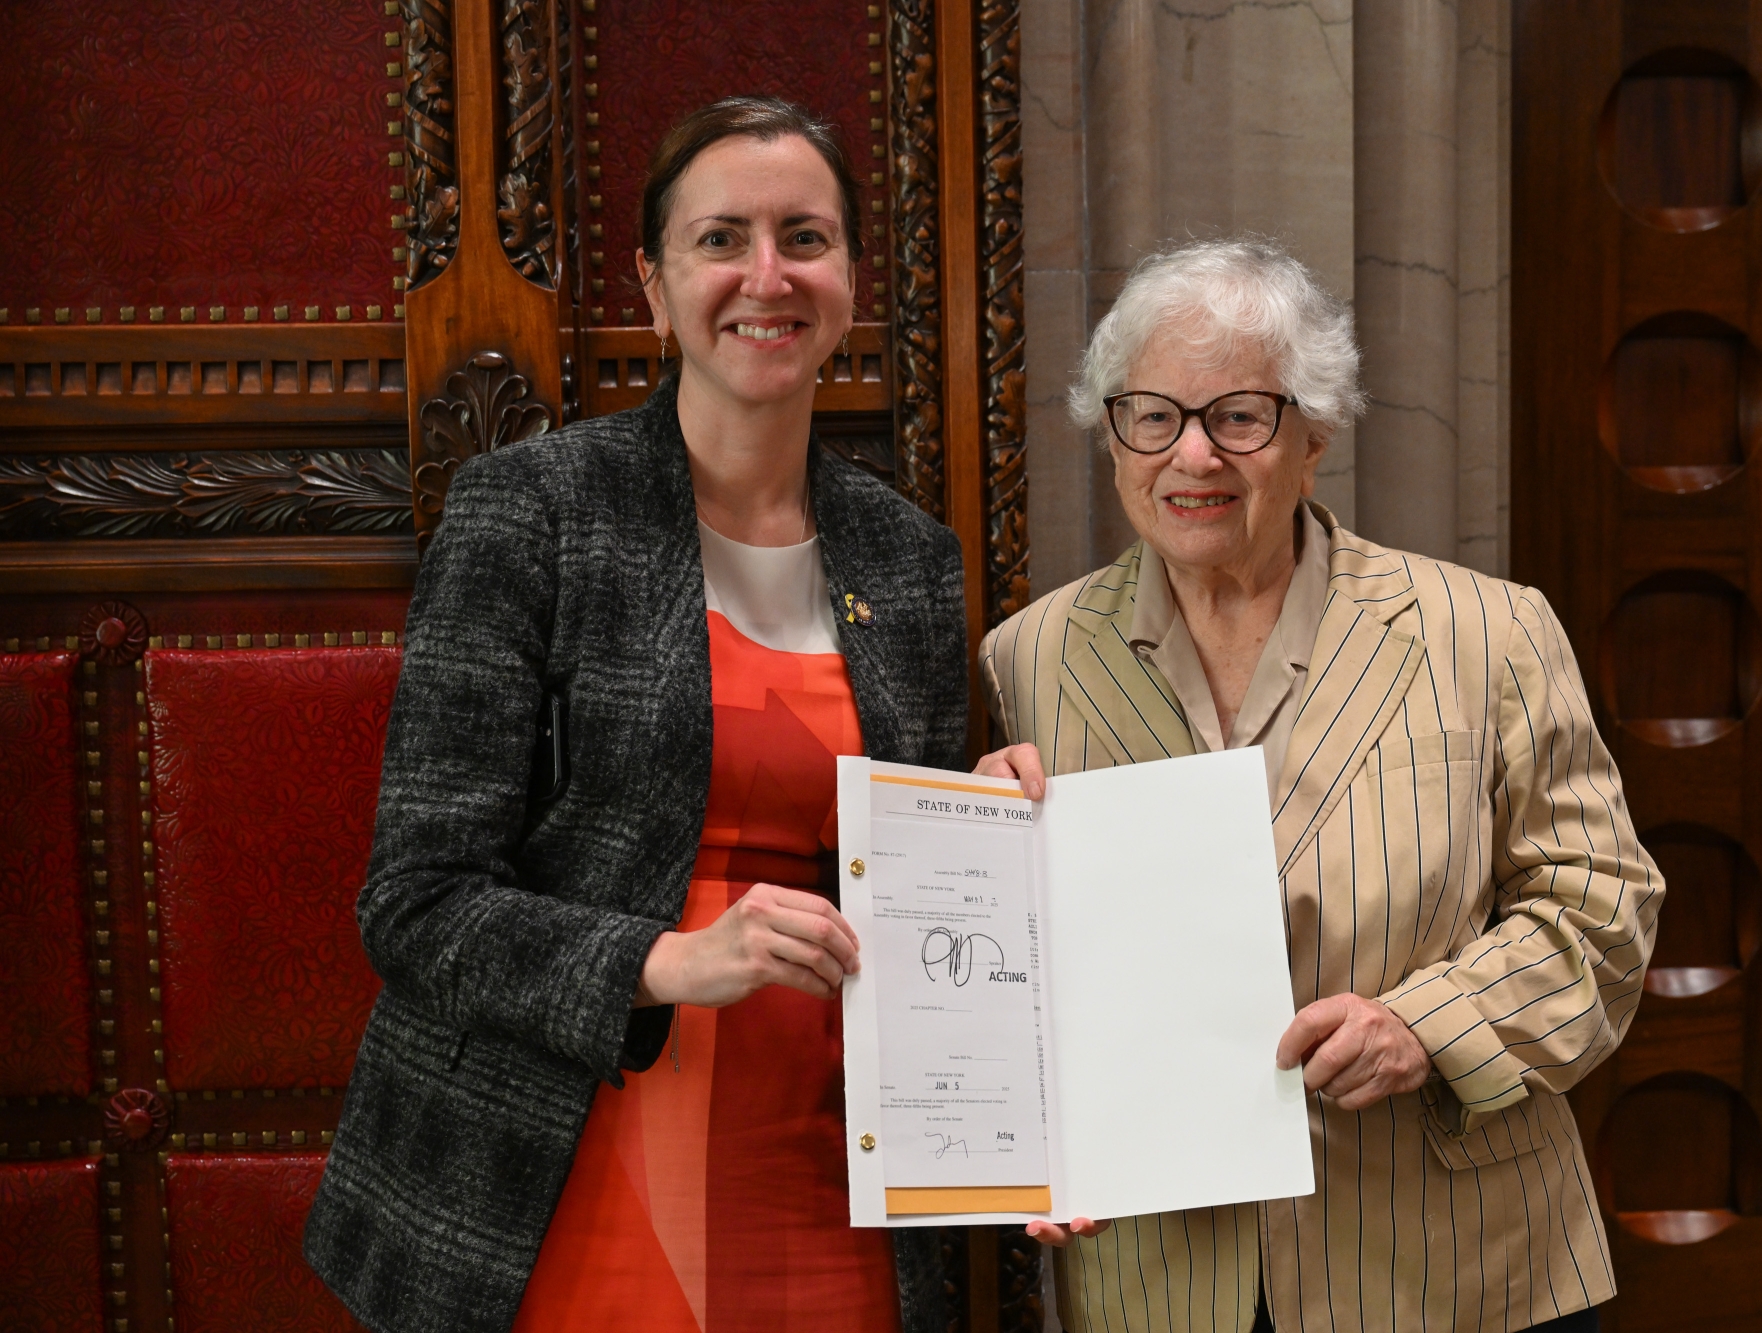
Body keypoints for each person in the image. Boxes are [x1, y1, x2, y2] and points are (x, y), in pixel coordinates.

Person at [305, 97, 966, 1333]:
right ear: (655, 289)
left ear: (847, 286)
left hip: (831, 1170)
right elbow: (417, 902)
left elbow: (924, 890)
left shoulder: (912, 558)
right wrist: (665, 962)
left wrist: (997, 812)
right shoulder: (532, 511)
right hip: (560, 1160)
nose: (766, 275)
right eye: (721, 239)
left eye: (804, 238)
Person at [975, 238, 1661, 1333]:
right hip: (1162, 1280)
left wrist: (1424, 1025)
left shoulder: (1488, 632)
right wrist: (1030, 1135)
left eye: (1239, 416)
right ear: (1112, 435)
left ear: (1314, 434)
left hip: (1451, 1270)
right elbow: (1018, 981)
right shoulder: (1031, 656)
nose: (1191, 454)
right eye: (1150, 415)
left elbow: (1601, 913)